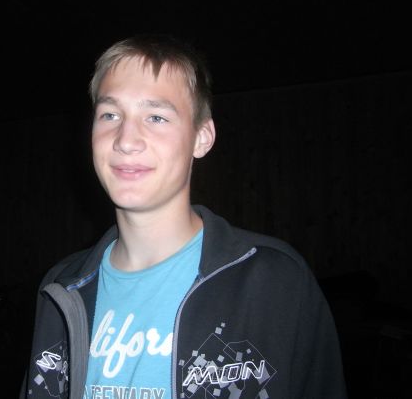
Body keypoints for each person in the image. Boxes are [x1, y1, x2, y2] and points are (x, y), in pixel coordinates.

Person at [20, 34, 348, 399]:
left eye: (156, 117)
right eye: (110, 115)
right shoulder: (61, 288)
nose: (125, 140)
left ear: (201, 138)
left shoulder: (275, 282)